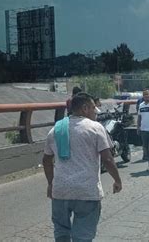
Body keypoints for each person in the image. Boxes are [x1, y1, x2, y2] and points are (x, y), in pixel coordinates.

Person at [42, 93, 122, 241]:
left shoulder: (56, 130)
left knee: (61, 233)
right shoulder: (96, 128)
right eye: (93, 108)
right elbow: (108, 159)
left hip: (60, 191)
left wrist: (50, 184)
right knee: (83, 236)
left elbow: (46, 160)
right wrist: (117, 180)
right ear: (84, 108)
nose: (95, 111)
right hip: (86, 192)